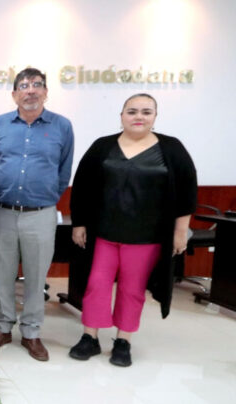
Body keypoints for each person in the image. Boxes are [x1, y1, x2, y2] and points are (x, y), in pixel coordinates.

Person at [68, 93, 197, 367]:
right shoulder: (103, 146)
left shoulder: (171, 149)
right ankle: (90, 337)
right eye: (132, 111)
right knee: (96, 285)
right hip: (103, 234)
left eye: (146, 112)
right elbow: (82, 186)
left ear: (155, 117)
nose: (139, 117)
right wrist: (79, 223)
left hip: (146, 237)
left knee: (132, 289)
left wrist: (180, 232)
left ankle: (123, 341)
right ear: (122, 116)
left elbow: (187, 193)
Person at [0, 68, 74, 361]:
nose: (31, 90)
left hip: (40, 213)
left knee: (36, 276)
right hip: (3, 212)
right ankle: (3, 327)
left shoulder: (62, 126)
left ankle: (31, 332)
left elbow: (63, 171)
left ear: (46, 92)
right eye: (24, 85)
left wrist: (45, 197)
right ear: (14, 94)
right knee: (2, 273)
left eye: (37, 85)